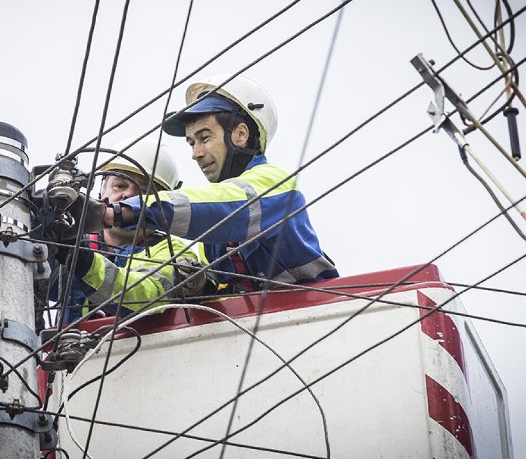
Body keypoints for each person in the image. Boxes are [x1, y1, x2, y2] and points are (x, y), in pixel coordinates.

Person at [100, 73, 338, 291]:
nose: (196, 153)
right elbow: (221, 296)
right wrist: (202, 285)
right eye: (192, 143)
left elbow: (223, 206)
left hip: (319, 319)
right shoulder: (210, 240)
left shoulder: (275, 183)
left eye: (204, 138)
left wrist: (123, 212)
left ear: (241, 135)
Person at [53, 137, 205, 323]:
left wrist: (83, 263)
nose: (129, 195)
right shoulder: (74, 239)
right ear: (102, 192)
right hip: (69, 351)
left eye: (143, 191)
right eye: (120, 185)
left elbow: (149, 294)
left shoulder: (173, 251)